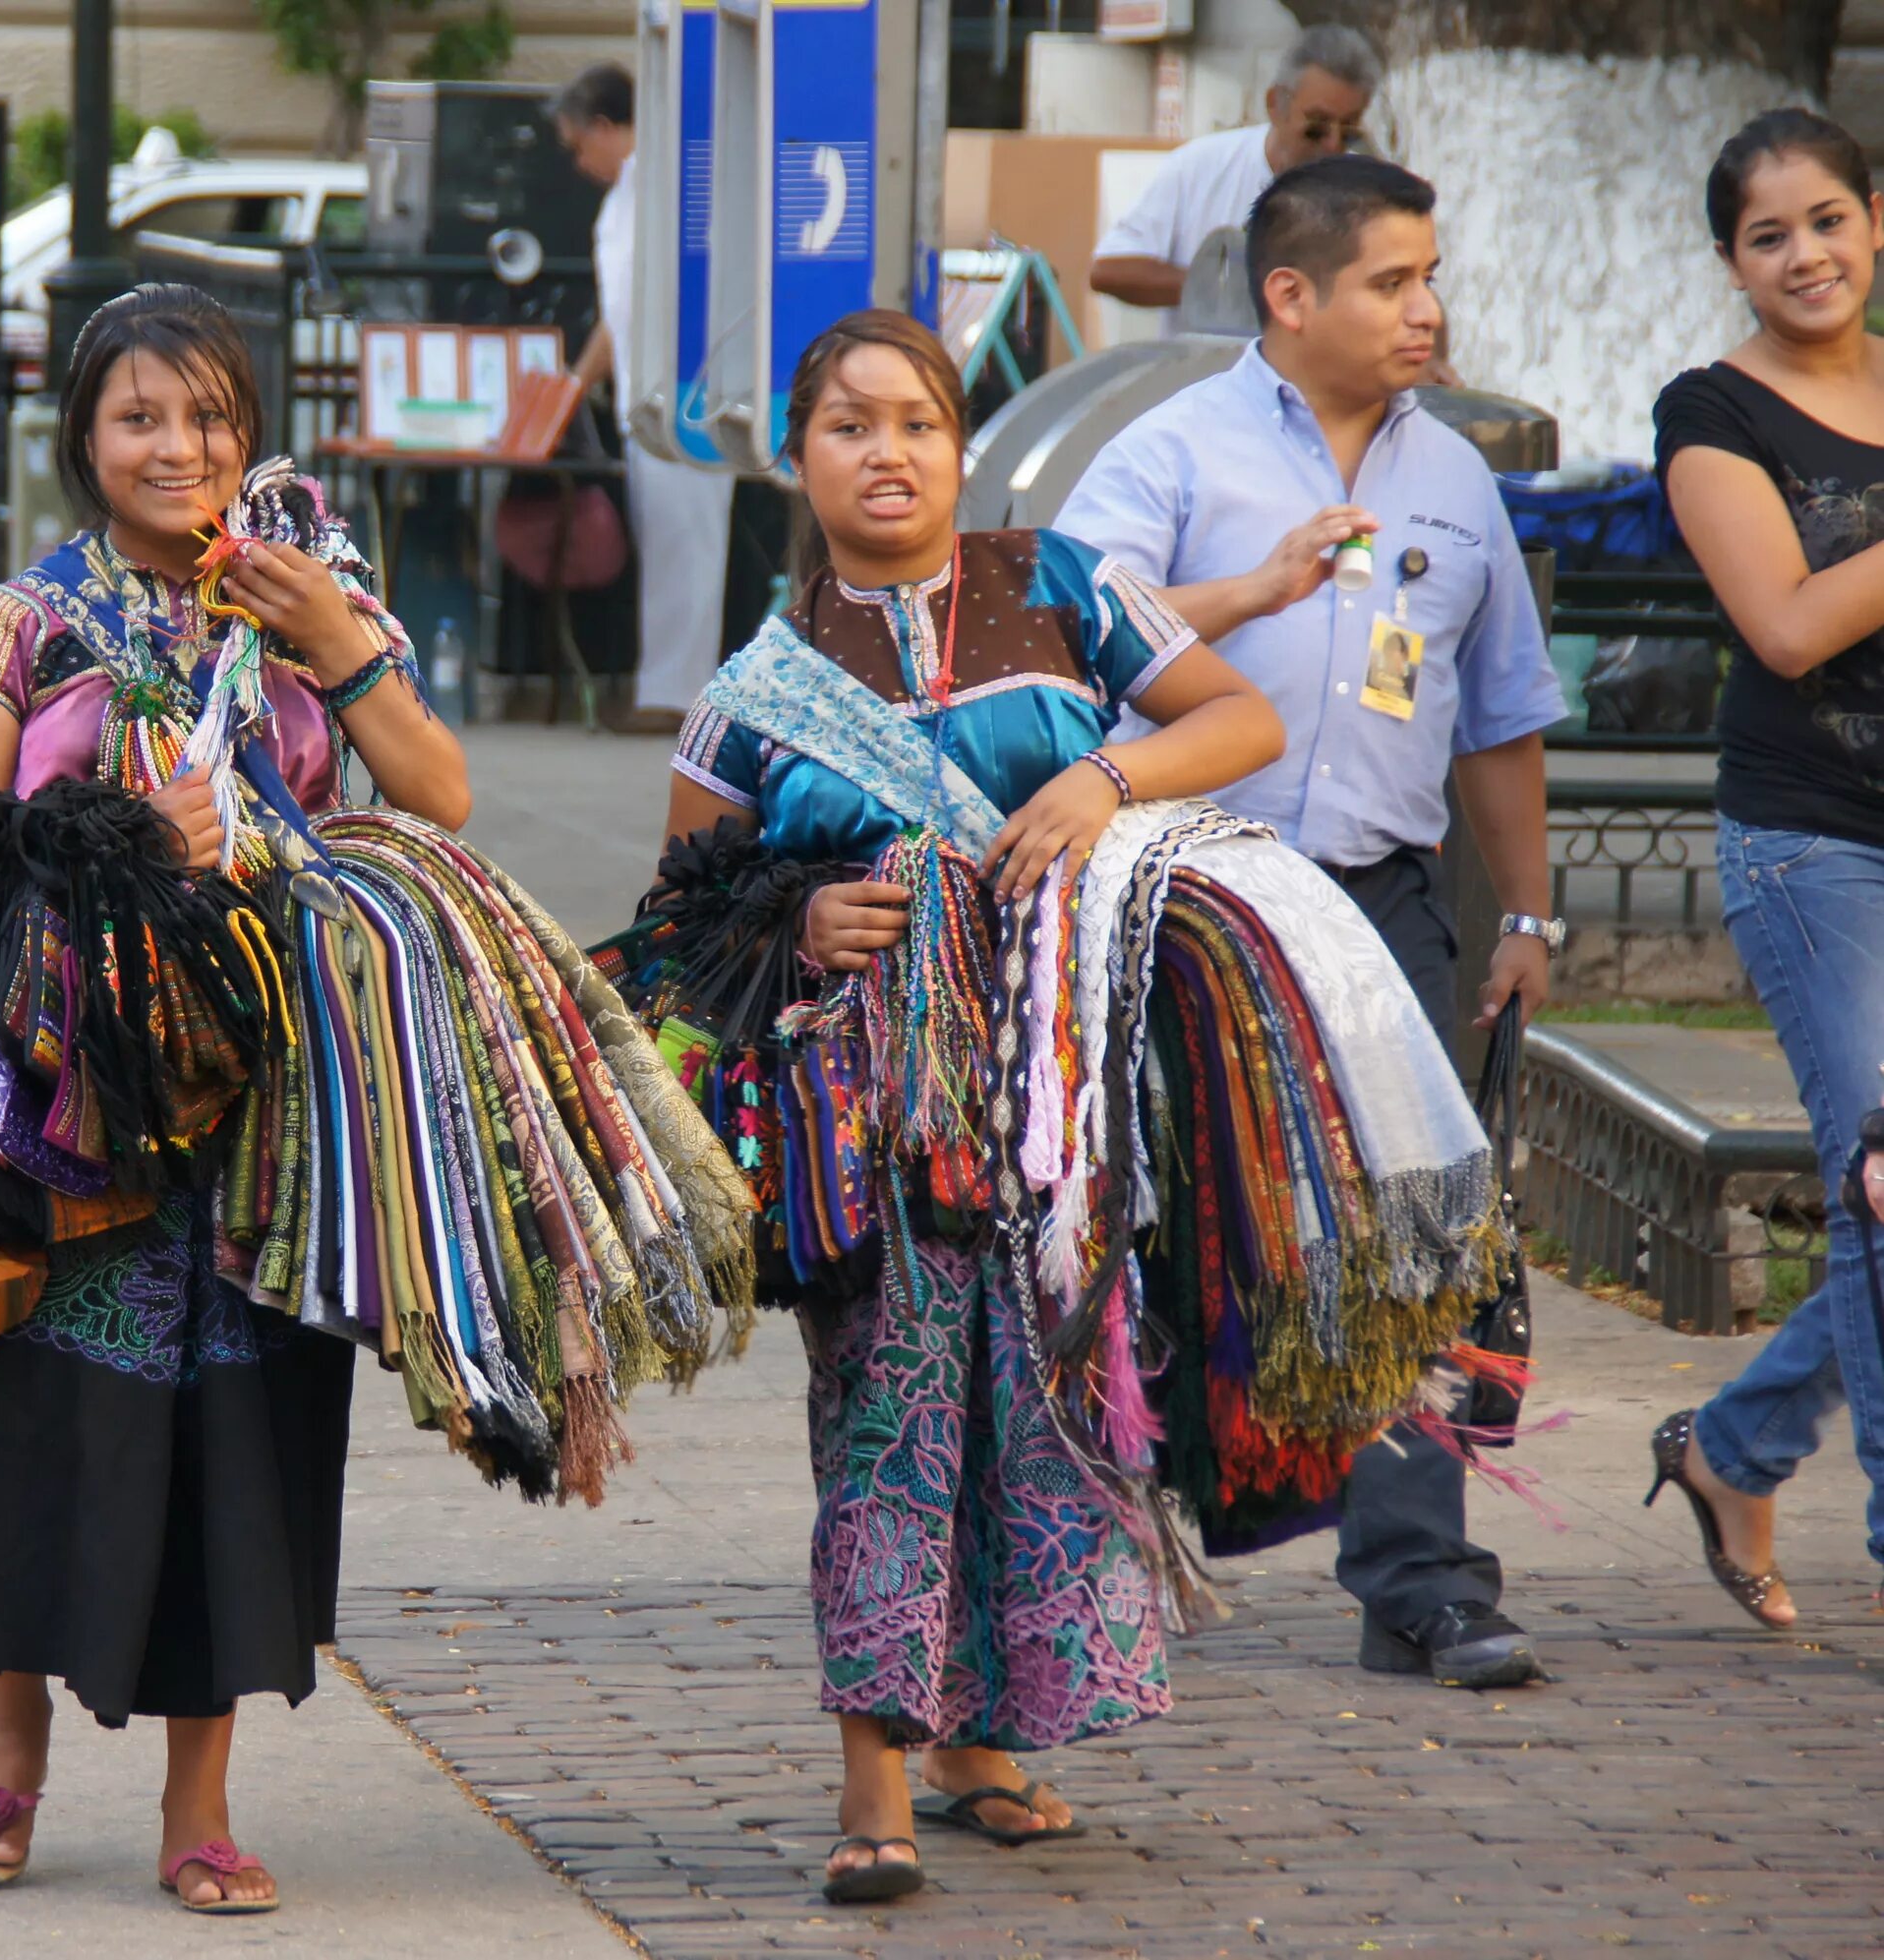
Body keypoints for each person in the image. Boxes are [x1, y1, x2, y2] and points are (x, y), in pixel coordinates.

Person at [661, 311, 1286, 1902]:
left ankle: (988, 1738)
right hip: (868, 1126)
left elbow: (1241, 718)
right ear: (795, 456)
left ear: (963, 444)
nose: (887, 453)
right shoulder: (757, 684)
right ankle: (872, 1769)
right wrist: (796, 922)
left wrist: (1108, 779)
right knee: (884, 1417)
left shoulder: (1067, 589)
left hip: (1067, 1093)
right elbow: (681, 916)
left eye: (919, 423)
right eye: (850, 426)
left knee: (1051, 1401)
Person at [0, 284, 471, 1913]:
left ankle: (202, 1801)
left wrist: (339, 643)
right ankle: (8, 1742)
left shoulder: (317, 600)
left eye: (213, 415)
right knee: (36, 1426)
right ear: (83, 436)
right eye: (142, 417)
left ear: (255, 428)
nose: (182, 447)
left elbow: (436, 797)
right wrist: (116, 846)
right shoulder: (16, 624)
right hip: (69, 1100)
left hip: (267, 1107)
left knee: (248, 1434)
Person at [1056, 154, 1566, 1692]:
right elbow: (1058, 619)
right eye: (1393, 281)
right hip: (1189, 894)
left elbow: (1501, 718)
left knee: (1415, 1226)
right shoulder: (1174, 451)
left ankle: (1421, 1578)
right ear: (1293, 296)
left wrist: (1527, 909)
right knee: (1153, 1226)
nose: (1429, 310)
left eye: (1431, 277)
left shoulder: (1454, 476)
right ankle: (1097, 1551)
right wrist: (1249, 593)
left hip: (1381, 900)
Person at [1645, 108, 1884, 1629]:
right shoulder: (1712, 408)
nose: (1806, 254)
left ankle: (1736, 1447)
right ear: (1732, 261)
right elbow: (1788, 626)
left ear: (1877, 220)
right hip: (1815, 844)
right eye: (1768, 234)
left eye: (1828, 220)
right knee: (1883, 1187)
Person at [557, 62, 738, 731]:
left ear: (607, 128)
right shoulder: (630, 194)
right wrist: (578, 382)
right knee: (668, 542)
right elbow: (623, 310)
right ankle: (667, 687)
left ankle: (677, 696)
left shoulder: (667, 183)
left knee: (687, 544)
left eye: (579, 144)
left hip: (684, 390)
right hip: (650, 393)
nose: (579, 162)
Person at [1089, 24, 1379, 333]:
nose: (1333, 145)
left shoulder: (1367, 191)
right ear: (1275, 104)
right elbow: (1109, 270)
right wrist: (1223, 288)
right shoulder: (1200, 167)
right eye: (1316, 127)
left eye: (1348, 132)